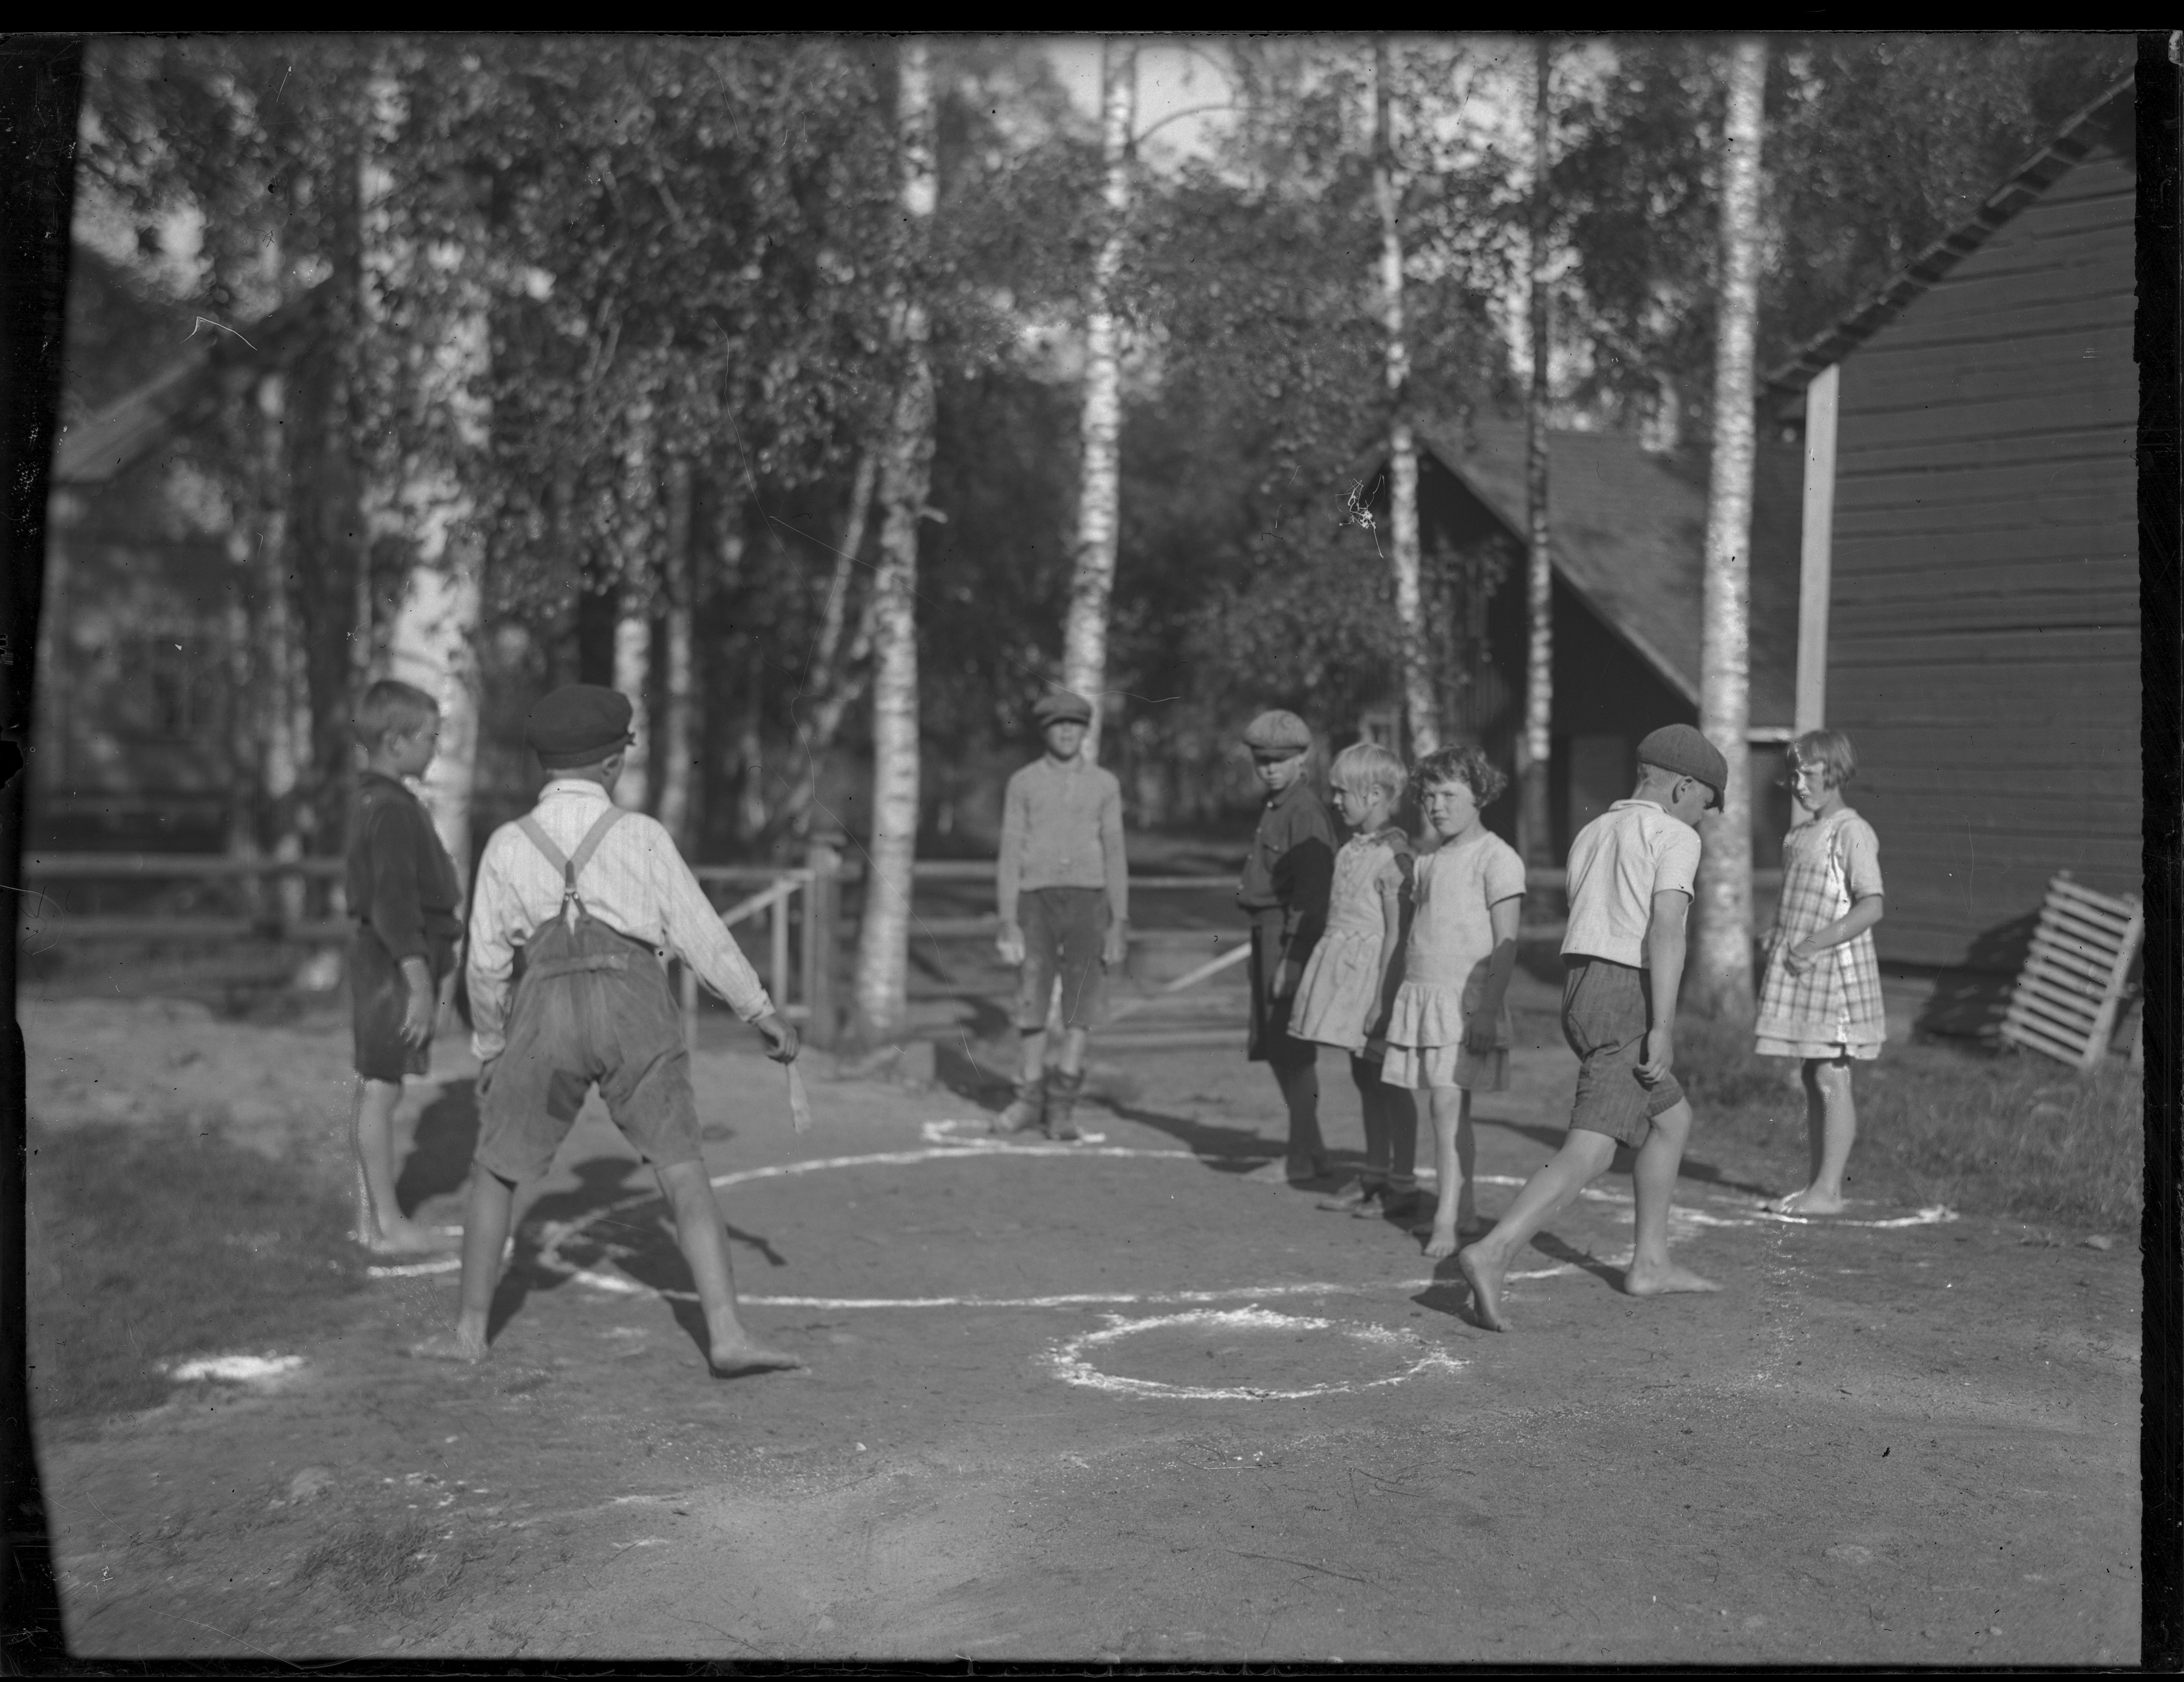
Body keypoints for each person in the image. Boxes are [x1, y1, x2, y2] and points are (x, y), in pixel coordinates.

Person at [411, 684, 802, 1376]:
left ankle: (469, 1332)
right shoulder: (642, 835)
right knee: (682, 1170)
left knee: (496, 1172)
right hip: (635, 1007)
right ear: (615, 764)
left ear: (544, 766)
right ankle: (728, 1334)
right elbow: (701, 934)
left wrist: (492, 1048)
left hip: (543, 1012)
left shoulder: (505, 844)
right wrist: (759, 1009)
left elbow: (485, 964)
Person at [1457, 723, 1726, 1332]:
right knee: (1593, 1146)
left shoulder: (1593, 830)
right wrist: (1662, 1024)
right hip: (1626, 990)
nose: (1704, 820)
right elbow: (1664, 929)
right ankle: (1494, 1251)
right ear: (1684, 787)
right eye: (1706, 806)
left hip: (1578, 989)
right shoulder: (1674, 836)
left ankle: (1650, 1263)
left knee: (1670, 1119)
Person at [1381, 746, 1524, 1259]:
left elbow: (1507, 944)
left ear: (1479, 795)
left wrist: (1487, 1009)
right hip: (1424, 998)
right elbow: (1413, 936)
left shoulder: (1498, 859)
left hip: (1466, 1003)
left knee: (1446, 1104)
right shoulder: (1426, 863)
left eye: (1450, 794)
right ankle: (1460, 1208)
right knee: (1447, 1109)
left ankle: (1445, 1216)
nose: (1437, 806)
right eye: (1429, 795)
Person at [344, 679, 463, 1255]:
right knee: (381, 1090)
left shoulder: (391, 803)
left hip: (399, 965)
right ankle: (386, 1225)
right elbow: (392, 905)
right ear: (395, 741)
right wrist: (419, 984)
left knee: (380, 1088)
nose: (435, 749)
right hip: (392, 968)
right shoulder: (388, 809)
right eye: (430, 738)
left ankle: (373, 1222)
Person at [1755, 729, 1886, 1215]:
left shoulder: (1851, 830)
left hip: (1837, 973)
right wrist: (1778, 932)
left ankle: (1829, 1191)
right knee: (1815, 1074)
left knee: (1832, 1074)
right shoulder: (1798, 834)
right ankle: (1818, 1185)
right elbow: (1798, 901)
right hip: (1804, 971)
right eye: (1792, 774)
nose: (1799, 783)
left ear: (1835, 772)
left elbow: (1871, 905)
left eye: (1809, 773)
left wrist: (1812, 942)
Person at [1290, 741, 1421, 1222]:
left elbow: (1398, 935)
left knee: (1388, 1079)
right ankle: (1374, 1173)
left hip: (1376, 981)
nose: (1337, 801)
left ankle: (1403, 1181)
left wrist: (1382, 1000)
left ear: (1375, 794)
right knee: (1364, 1076)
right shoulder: (1350, 849)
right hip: (1347, 975)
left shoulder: (1395, 856)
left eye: (1344, 792)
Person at [993, 690, 1130, 1142]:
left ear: (1086, 730)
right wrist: (1007, 917)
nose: (1067, 731)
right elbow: (1011, 849)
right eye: (1058, 724)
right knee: (1032, 997)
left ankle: (1062, 1105)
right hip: (1035, 901)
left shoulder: (1105, 784)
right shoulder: (1024, 782)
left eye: (1075, 724)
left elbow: (1115, 851)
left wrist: (1119, 920)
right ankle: (1028, 1098)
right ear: (1045, 730)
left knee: (1081, 1000)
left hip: (1090, 903)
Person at [1236, 709, 1337, 1183]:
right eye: (1262, 760)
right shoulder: (1277, 805)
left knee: (1295, 1052)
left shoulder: (1304, 810)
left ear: (1304, 759)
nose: (1271, 767)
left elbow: (1313, 897)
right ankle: (1312, 1151)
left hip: (1291, 935)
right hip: (1267, 932)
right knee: (1279, 1049)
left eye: (1282, 759)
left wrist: (1292, 959)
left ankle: (1299, 1157)